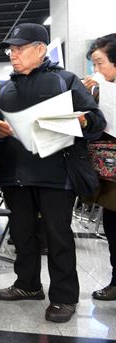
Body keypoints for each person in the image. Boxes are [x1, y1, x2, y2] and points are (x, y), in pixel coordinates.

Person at [0, 23, 106, 323]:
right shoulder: (4, 88)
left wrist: (81, 121)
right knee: (23, 235)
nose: (13, 55)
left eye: (20, 48)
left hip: (56, 174)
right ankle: (27, 285)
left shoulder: (64, 80)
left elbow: (96, 120)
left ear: (40, 50)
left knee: (58, 237)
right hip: (15, 174)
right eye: (11, 50)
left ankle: (64, 297)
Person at [83, 33, 116, 301]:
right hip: (110, 171)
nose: (97, 70)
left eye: (100, 63)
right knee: (113, 225)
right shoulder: (100, 91)